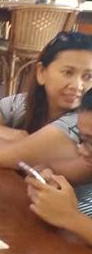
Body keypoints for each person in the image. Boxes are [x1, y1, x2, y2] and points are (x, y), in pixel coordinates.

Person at [0, 32, 92, 149]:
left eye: (88, 76)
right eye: (68, 72)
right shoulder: (23, 103)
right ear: (41, 72)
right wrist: (3, 132)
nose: (77, 85)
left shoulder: (81, 120)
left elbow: (6, 155)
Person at [26, 88, 92, 232]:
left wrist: (70, 217)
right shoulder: (87, 167)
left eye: (90, 142)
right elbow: (45, 167)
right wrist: (44, 179)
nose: (81, 150)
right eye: (81, 139)